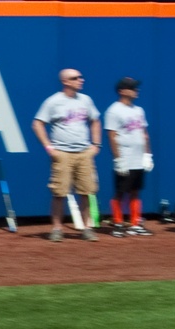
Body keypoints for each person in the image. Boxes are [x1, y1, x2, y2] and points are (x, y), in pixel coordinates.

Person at [32, 69, 102, 242]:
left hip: (84, 152)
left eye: (81, 77)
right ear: (65, 82)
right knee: (59, 192)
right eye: (75, 78)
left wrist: (96, 144)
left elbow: (95, 121)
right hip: (62, 153)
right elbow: (37, 124)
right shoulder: (53, 102)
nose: (81, 80)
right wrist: (49, 148)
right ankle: (57, 228)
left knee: (86, 192)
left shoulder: (86, 100)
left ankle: (86, 228)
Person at [104, 77, 153, 237]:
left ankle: (135, 223)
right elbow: (111, 136)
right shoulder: (114, 110)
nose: (136, 91)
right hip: (125, 158)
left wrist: (147, 155)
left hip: (139, 159)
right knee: (120, 192)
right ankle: (117, 223)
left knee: (135, 191)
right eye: (132, 88)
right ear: (122, 91)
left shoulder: (139, 110)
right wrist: (118, 159)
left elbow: (144, 134)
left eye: (135, 88)